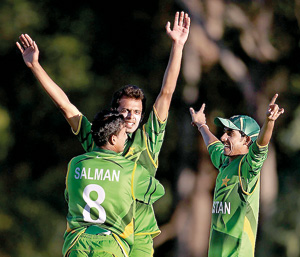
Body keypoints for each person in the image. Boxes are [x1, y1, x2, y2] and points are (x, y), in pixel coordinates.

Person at [16, 11, 190, 256]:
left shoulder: (148, 139)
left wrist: (178, 46)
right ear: (113, 112)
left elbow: (167, 93)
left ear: (143, 115)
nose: (131, 116)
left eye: (137, 112)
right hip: (103, 236)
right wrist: (35, 66)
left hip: (139, 234)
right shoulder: (98, 139)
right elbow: (66, 106)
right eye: (125, 110)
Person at [189, 94, 284, 257]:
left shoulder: (248, 168)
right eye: (225, 132)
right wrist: (201, 125)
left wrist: (269, 122)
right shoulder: (225, 161)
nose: (223, 137)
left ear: (246, 140)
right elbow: (213, 145)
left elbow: (260, 146)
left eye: (230, 134)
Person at [63, 109, 165, 257]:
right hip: (110, 245)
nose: (126, 138)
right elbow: (157, 191)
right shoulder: (130, 170)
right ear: (113, 139)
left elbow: (69, 196)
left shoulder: (75, 164)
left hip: (76, 244)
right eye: (124, 134)